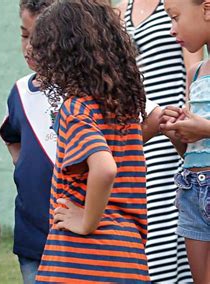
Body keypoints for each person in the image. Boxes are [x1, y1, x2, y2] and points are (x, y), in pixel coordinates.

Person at [29, 0, 150, 282]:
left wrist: (86, 221)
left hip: (81, 258)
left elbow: (104, 168)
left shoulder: (75, 109)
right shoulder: (126, 111)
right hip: (129, 256)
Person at [115, 0, 204, 281]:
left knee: (169, 218)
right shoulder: (120, 10)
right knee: (153, 219)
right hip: (149, 127)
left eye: (175, 19)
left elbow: (195, 69)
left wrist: (195, 126)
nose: (173, 26)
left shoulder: (177, 5)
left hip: (179, 130)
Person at [0, 1, 54, 283]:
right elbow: (11, 136)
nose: (30, 46)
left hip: (77, 239)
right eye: (24, 35)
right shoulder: (20, 91)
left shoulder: (92, 88)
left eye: (40, 37)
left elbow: (149, 119)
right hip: (33, 239)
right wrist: (26, 166)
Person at [159, 1, 210, 283]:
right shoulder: (195, 73)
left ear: (207, 9)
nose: (171, 29)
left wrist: (203, 128)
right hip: (192, 190)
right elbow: (192, 150)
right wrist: (178, 134)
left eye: (176, 18)